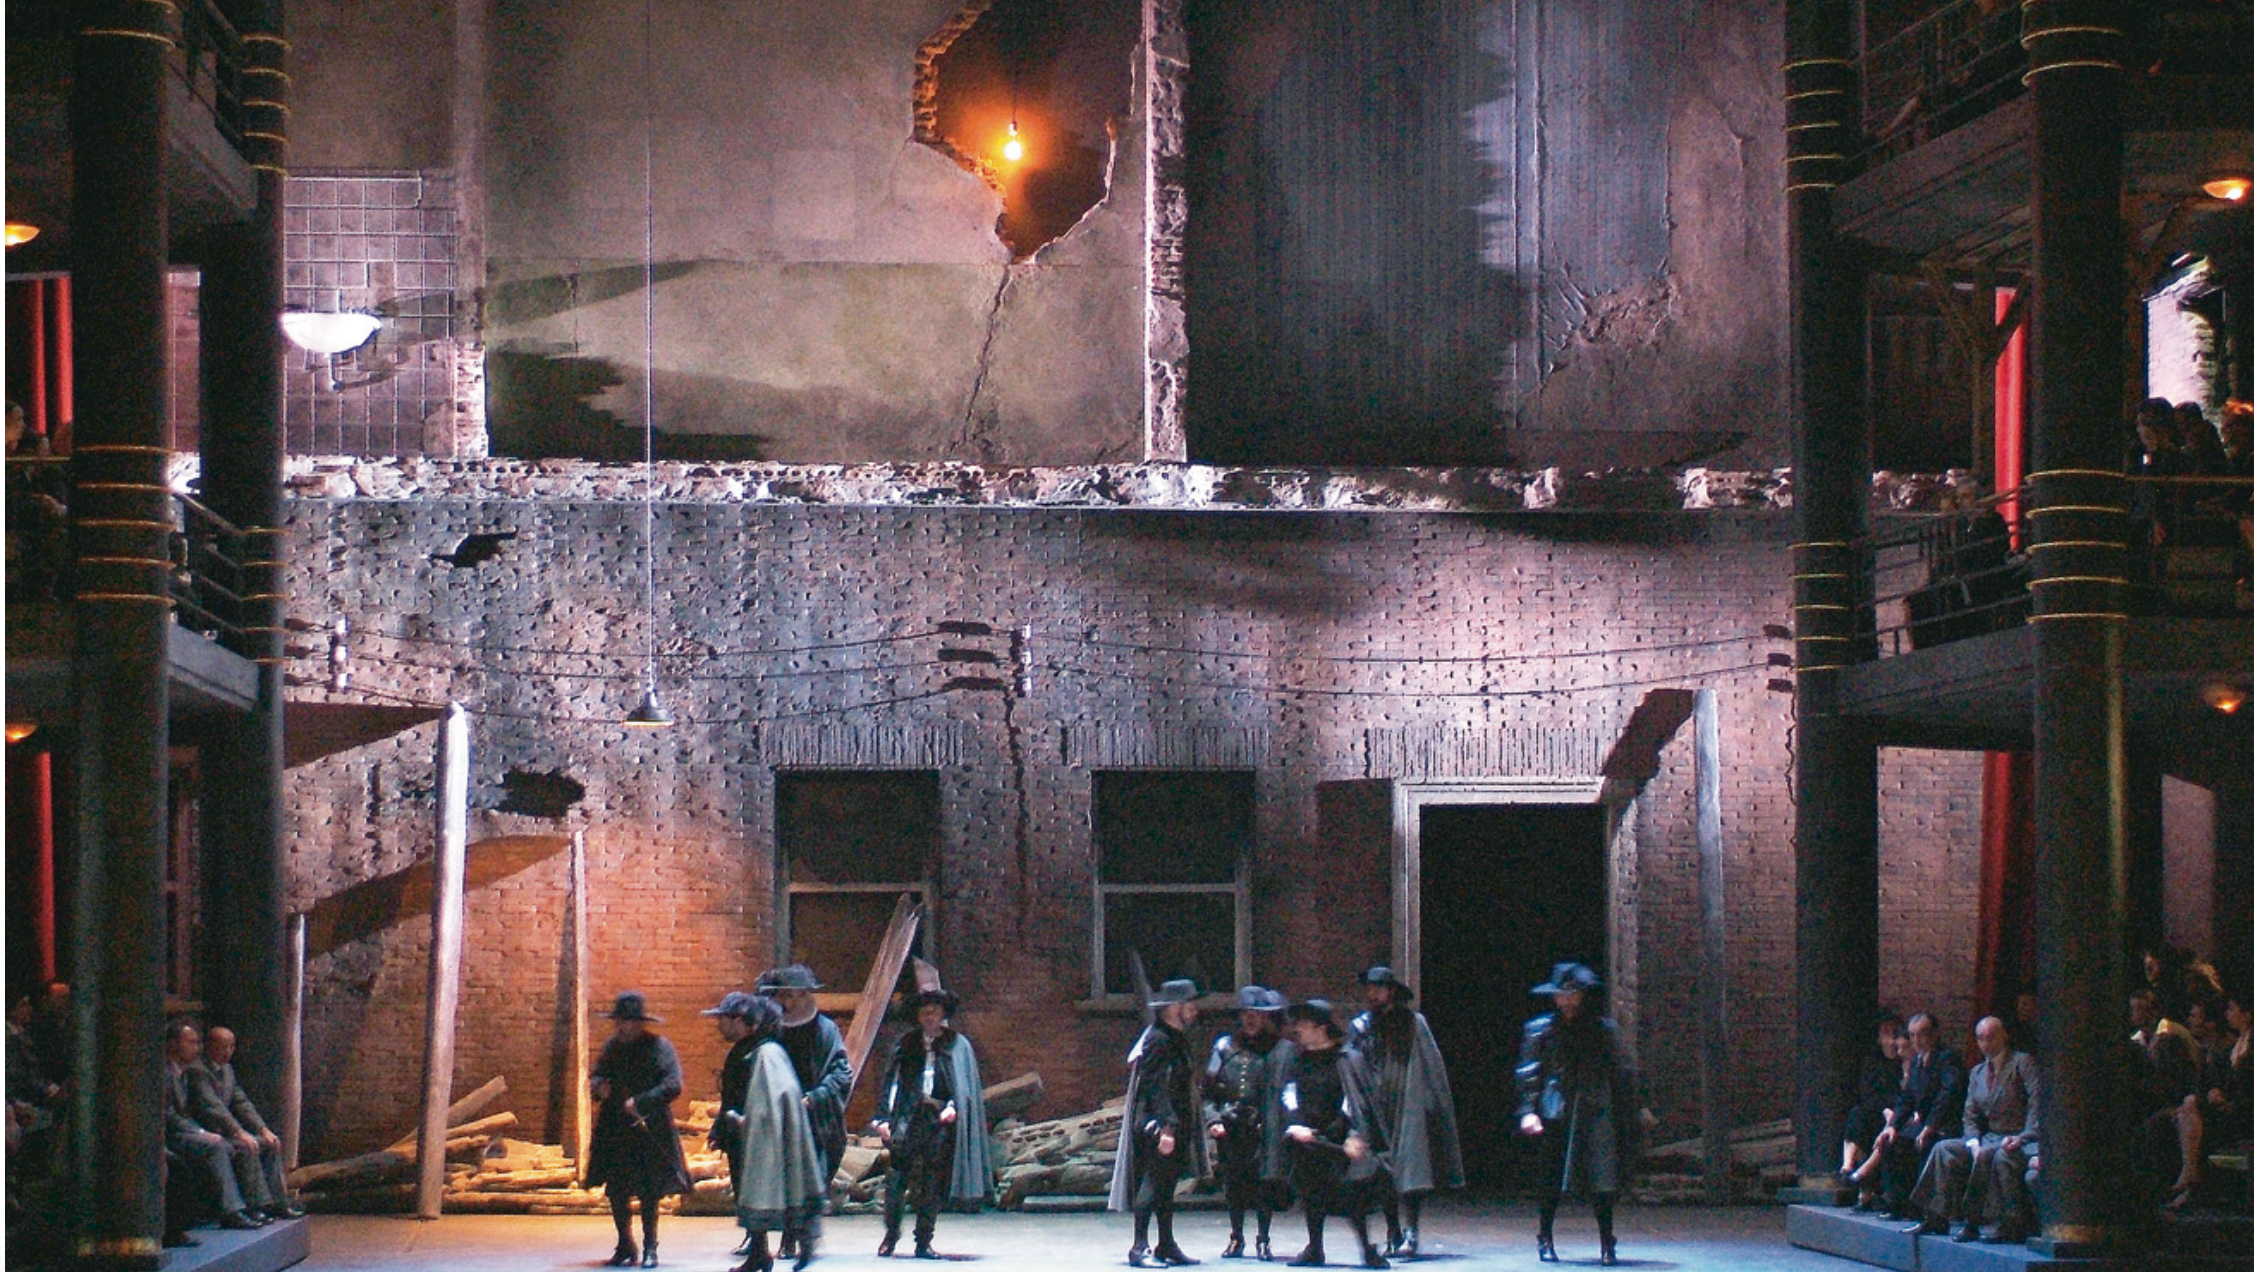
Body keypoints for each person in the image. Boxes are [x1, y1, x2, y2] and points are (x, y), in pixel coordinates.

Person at [1516, 963, 1636, 1268]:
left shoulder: (1602, 1029)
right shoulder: (1541, 1029)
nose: (1567, 1000)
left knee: (1602, 1177)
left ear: (1583, 994)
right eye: (1562, 994)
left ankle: (1607, 1240)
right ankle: (1545, 1236)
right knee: (1550, 1176)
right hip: (1556, 1108)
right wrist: (1528, 1110)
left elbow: (1622, 1070)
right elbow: (1529, 1072)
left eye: (1573, 993)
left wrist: (1636, 1107)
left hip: (1594, 1107)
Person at [1345, 966, 1462, 1258]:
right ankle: (1392, 1230)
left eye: (1378, 989)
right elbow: (1351, 1063)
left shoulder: (1412, 1022)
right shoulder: (1361, 1025)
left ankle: (1411, 1231)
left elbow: (1429, 1065)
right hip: (1375, 1104)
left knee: (1410, 1169)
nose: (1373, 994)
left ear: (1391, 992)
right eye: (1369, 989)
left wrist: (1429, 1104)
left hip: (1406, 1103)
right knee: (1382, 1170)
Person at [871, 978, 990, 1257]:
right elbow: (892, 1082)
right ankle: (891, 1234)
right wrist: (883, 1118)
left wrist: (954, 1107)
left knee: (930, 1183)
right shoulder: (906, 1044)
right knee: (896, 1179)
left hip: (937, 1121)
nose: (929, 1016)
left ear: (942, 1014)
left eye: (934, 1011)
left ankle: (923, 1240)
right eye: (924, 1012)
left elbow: (962, 1086)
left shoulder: (956, 1044)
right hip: (906, 1117)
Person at [1907, 1017, 2039, 1244]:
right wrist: (1972, 1141)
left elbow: (2037, 1103)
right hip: (1988, 1136)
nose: (1986, 1043)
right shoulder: (1978, 1072)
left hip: (2018, 1136)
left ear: (2004, 1036)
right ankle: (1935, 1216)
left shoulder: (2022, 1063)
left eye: (1991, 1037)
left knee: (1988, 1155)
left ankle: (1973, 1221)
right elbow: (1970, 1115)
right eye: (1981, 1038)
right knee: (1944, 1148)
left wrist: (2023, 1136)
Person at [1279, 999, 1386, 1270]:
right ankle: (1315, 1247)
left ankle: (1367, 1248)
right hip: (1305, 1140)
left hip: (1335, 1142)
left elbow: (1353, 1099)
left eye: (1304, 1024)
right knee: (1310, 1194)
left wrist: (1350, 1132)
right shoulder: (1299, 1061)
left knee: (1350, 1197)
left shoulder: (1346, 1060)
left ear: (1321, 1028)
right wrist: (1295, 1124)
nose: (1298, 1029)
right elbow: (1289, 1093)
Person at [586, 992, 690, 1268]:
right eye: (619, 1021)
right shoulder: (612, 1047)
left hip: (649, 1128)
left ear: (639, 1023)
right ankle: (624, 1244)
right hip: (616, 1128)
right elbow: (597, 1074)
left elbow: (673, 1084)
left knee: (649, 1191)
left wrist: (641, 1102)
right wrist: (598, 1086)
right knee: (617, 1189)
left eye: (627, 1022)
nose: (621, 1027)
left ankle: (650, 1247)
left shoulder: (659, 1047)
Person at [1109, 978, 1205, 1268]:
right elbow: (1154, 1086)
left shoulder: (1176, 1038)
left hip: (1176, 1121)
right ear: (1174, 1007)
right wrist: (1165, 1127)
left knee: (1166, 1185)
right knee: (1152, 1183)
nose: (1194, 1010)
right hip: (1159, 1123)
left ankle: (1166, 1243)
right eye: (1189, 1004)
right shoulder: (1158, 1040)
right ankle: (1139, 1246)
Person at [759, 962, 853, 1249]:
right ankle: (785, 1237)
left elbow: (841, 1072)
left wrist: (815, 1097)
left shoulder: (825, 1029)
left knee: (811, 1179)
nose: (787, 1002)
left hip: (816, 1119)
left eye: (794, 995)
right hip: (780, 1115)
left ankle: (802, 1236)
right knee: (783, 1179)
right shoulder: (771, 1030)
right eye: (784, 995)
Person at [733, 994, 827, 1272]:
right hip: (775, 1132)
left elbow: (772, 1099)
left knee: (769, 1191)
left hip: (769, 1137)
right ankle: (759, 1255)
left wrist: (748, 1123)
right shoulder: (770, 1052)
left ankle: (798, 1247)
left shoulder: (767, 1055)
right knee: (780, 1189)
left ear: (753, 1025)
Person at [1204, 985, 1295, 1260]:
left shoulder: (1278, 1050)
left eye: (1257, 1013)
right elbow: (1208, 1092)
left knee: (1263, 1185)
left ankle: (1263, 1239)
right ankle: (1236, 1237)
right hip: (1231, 1127)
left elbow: (1286, 1092)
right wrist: (1213, 1119)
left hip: (1262, 1128)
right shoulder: (1225, 1047)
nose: (1252, 1018)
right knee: (1233, 1185)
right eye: (1247, 1013)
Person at [188, 1026, 302, 1221]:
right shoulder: (197, 1070)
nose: (227, 1052)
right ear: (209, 1046)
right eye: (222, 1047)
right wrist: (240, 1132)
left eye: (231, 1047)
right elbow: (213, 1107)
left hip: (226, 1131)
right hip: (207, 1131)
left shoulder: (227, 1070)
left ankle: (277, 1202)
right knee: (246, 1146)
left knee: (269, 1144)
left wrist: (262, 1129)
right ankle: (255, 1204)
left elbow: (241, 1102)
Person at [162, 1023, 262, 1234]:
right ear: (172, 1044)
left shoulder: (184, 1073)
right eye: (191, 1042)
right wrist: (201, 1132)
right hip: (169, 1136)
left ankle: (257, 1204)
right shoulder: (166, 1073)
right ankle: (230, 1211)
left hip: (187, 1131)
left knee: (237, 1145)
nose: (196, 1048)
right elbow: (169, 1115)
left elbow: (240, 1102)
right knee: (216, 1146)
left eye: (198, 1043)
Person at [1876, 1012, 1966, 1221]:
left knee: (1925, 1144)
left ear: (1934, 1034)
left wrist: (1931, 1126)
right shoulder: (1917, 1061)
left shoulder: (1947, 1059)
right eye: (1913, 1035)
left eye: (1922, 1034)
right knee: (1890, 1141)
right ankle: (1897, 1203)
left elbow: (1948, 1095)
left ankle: (1924, 1209)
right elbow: (1907, 1098)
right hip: (1924, 1124)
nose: (1917, 1040)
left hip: (1946, 1125)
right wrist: (1893, 1126)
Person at [703, 991, 762, 1257]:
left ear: (737, 1020)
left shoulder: (760, 1051)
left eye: (722, 1020)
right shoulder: (739, 1051)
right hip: (738, 1133)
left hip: (756, 1133)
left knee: (755, 1188)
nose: (719, 1026)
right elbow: (730, 1098)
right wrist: (720, 1129)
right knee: (743, 1187)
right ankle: (753, 1238)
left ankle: (763, 1242)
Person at [1839, 1011, 1907, 1209]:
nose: (1890, 1037)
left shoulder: (1906, 1062)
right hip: (1878, 1110)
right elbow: (1868, 1094)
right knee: (1857, 1115)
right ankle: (1848, 1166)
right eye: (1885, 1031)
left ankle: (1863, 1175)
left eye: (1893, 1031)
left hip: (1899, 1113)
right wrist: (1884, 1108)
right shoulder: (1873, 1061)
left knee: (1887, 1129)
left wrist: (1892, 1110)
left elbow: (1908, 1095)